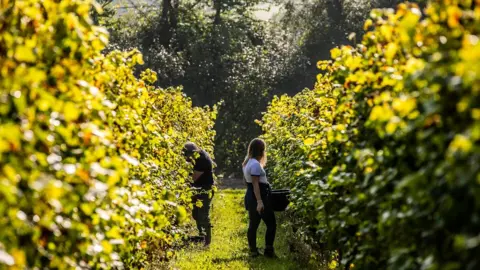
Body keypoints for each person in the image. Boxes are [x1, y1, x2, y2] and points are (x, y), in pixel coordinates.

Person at [242, 138, 277, 258]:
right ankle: (268, 250)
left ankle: (253, 251)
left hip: (251, 195)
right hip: (259, 196)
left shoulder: (247, 163)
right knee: (271, 224)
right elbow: (256, 184)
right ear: (261, 150)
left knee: (253, 224)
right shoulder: (255, 165)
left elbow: (249, 184)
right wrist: (260, 202)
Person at [183, 142, 215, 247]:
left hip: (205, 190)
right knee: (196, 214)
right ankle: (202, 235)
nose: (186, 159)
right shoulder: (196, 156)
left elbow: (193, 178)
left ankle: (207, 242)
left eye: (186, 156)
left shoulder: (201, 159)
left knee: (203, 215)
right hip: (196, 188)